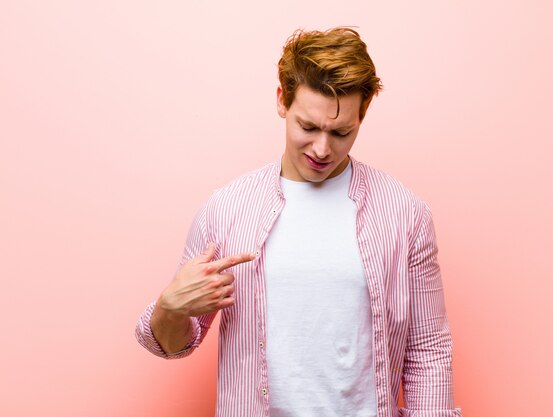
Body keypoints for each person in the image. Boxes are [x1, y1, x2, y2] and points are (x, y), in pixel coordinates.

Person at [136, 27, 462, 417]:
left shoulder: (404, 213)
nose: (322, 149)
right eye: (308, 127)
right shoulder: (227, 210)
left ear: (363, 115)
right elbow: (176, 343)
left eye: (341, 132)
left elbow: (428, 348)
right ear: (282, 101)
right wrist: (170, 307)